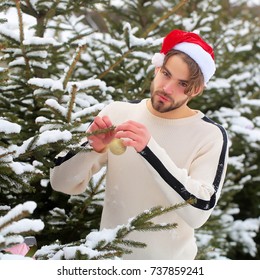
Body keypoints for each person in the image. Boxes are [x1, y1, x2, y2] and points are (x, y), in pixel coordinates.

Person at [50, 29, 229, 260]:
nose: (167, 88)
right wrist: (89, 149)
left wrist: (150, 149)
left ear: (195, 90)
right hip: (109, 264)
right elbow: (60, 182)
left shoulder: (210, 135)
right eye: (166, 74)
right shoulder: (119, 112)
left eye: (182, 84)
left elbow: (199, 210)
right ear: (158, 68)